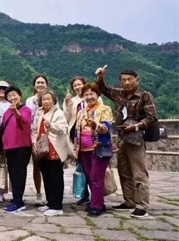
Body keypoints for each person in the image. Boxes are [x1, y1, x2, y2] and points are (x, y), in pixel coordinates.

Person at [95, 66, 157, 218]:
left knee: (139, 172)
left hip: (136, 138)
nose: (127, 82)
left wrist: (136, 126)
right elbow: (102, 88)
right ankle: (129, 201)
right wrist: (100, 77)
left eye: (130, 79)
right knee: (124, 171)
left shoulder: (144, 95)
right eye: (123, 80)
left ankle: (142, 206)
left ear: (137, 80)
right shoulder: (119, 94)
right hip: (122, 137)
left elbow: (152, 117)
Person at [73, 83, 113, 217]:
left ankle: (96, 206)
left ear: (98, 95)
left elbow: (106, 127)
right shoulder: (81, 112)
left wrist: (96, 126)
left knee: (96, 177)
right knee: (90, 177)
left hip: (99, 149)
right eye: (86, 95)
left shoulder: (105, 109)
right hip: (83, 150)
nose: (89, 97)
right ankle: (97, 202)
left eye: (92, 94)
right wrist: (76, 149)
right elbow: (77, 132)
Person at [31, 91, 73, 217]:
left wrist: (51, 125)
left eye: (48, 99)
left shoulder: (58, 113)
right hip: (42, 147)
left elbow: (63, 129)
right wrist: (33, 142)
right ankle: (50, 202)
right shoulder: (39, 112)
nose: (46, 101)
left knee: (55, 177)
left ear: (54, 100)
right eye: (44, 99)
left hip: (54, 148)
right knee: (46, 176)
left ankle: (57, 206)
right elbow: (34, 128)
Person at [1, 86, 33, 213]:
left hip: (22, 147)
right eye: (9, 96)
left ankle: (19, 202)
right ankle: (16, 198)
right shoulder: (6, 112)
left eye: (14, 95)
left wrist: (16, 112)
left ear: (20, 95)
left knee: (19, 174)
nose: (12, 97)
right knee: (13, 174)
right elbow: (3, 128)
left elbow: (25, 122)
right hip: (9, 147)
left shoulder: (26, 109)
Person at [26, 74, 49, 205]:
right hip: (34, 135)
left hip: (47, 135)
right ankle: (39, 193)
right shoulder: (29, 100)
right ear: (34, 85)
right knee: (36, 165)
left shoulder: (50, 98)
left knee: (48, 165)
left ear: (46, 85)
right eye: (38, 83)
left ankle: (50, 192)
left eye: (42, 82)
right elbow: (28, 118)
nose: (40, 85)